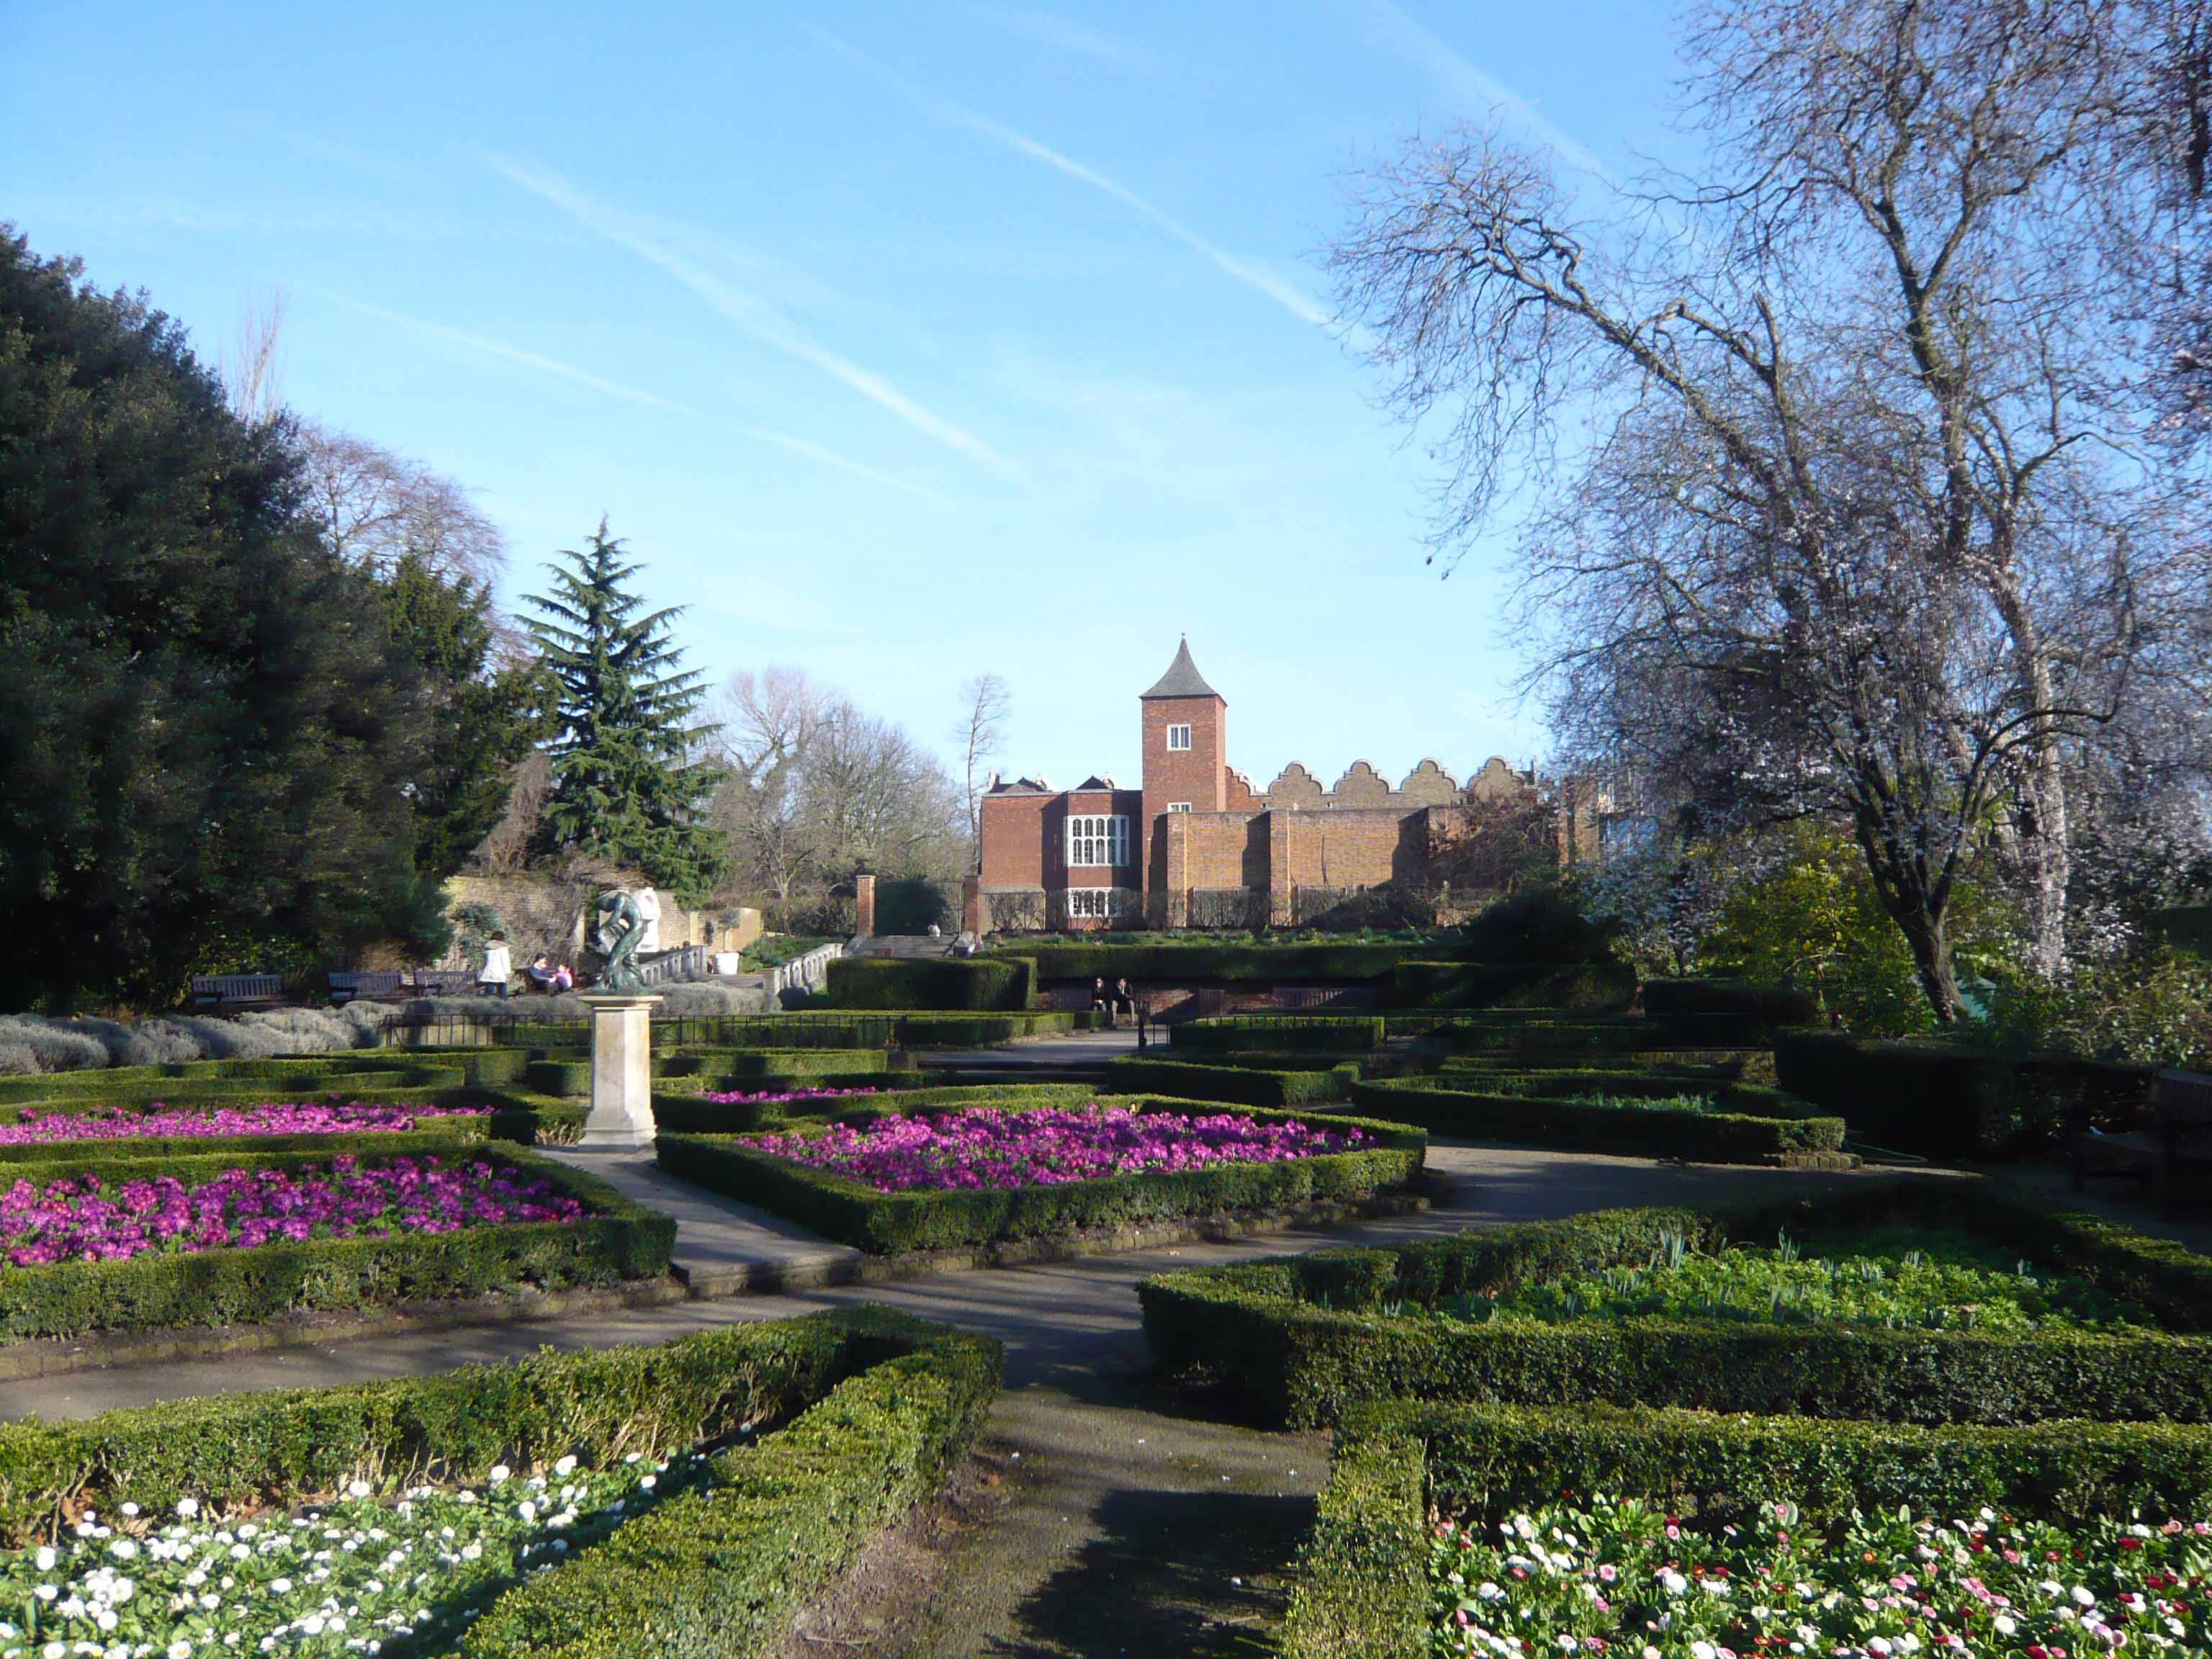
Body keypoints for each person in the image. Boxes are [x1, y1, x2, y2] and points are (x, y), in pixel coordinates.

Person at [477, 935, 513, 1000]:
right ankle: (505, 1005)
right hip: (500, 973)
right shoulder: (503, 949)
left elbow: (485, 962)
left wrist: (481, 971)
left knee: (489, 992)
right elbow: (505, 962)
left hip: (489, 973)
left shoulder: (487, 948)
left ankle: (487, 1006)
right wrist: (508, 974)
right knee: (503, 991)